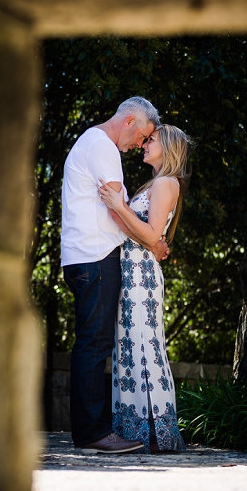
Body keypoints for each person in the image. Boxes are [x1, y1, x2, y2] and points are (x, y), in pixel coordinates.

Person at [60, 96, 167, 455]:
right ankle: (93, 432)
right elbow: (119, 212)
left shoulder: (91, 142)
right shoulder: (103, 147)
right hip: (96, 258)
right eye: (142, 136)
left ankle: (89, 430)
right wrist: (153, 242)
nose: (139, 144)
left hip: (84, 257)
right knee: (94, 344)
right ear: (130, 121)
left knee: (91, 342)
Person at [98, 124, 192, 454]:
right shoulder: (153, 184)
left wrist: (120, 206)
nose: (144, 144)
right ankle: (134, 428)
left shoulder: (167, 183)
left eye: (150, 140)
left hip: (142, 278)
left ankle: (155, 432)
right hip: (130, 273)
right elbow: (145, 235)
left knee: (144, 346)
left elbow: (152, 235)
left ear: (167, 147)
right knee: (129, 348)